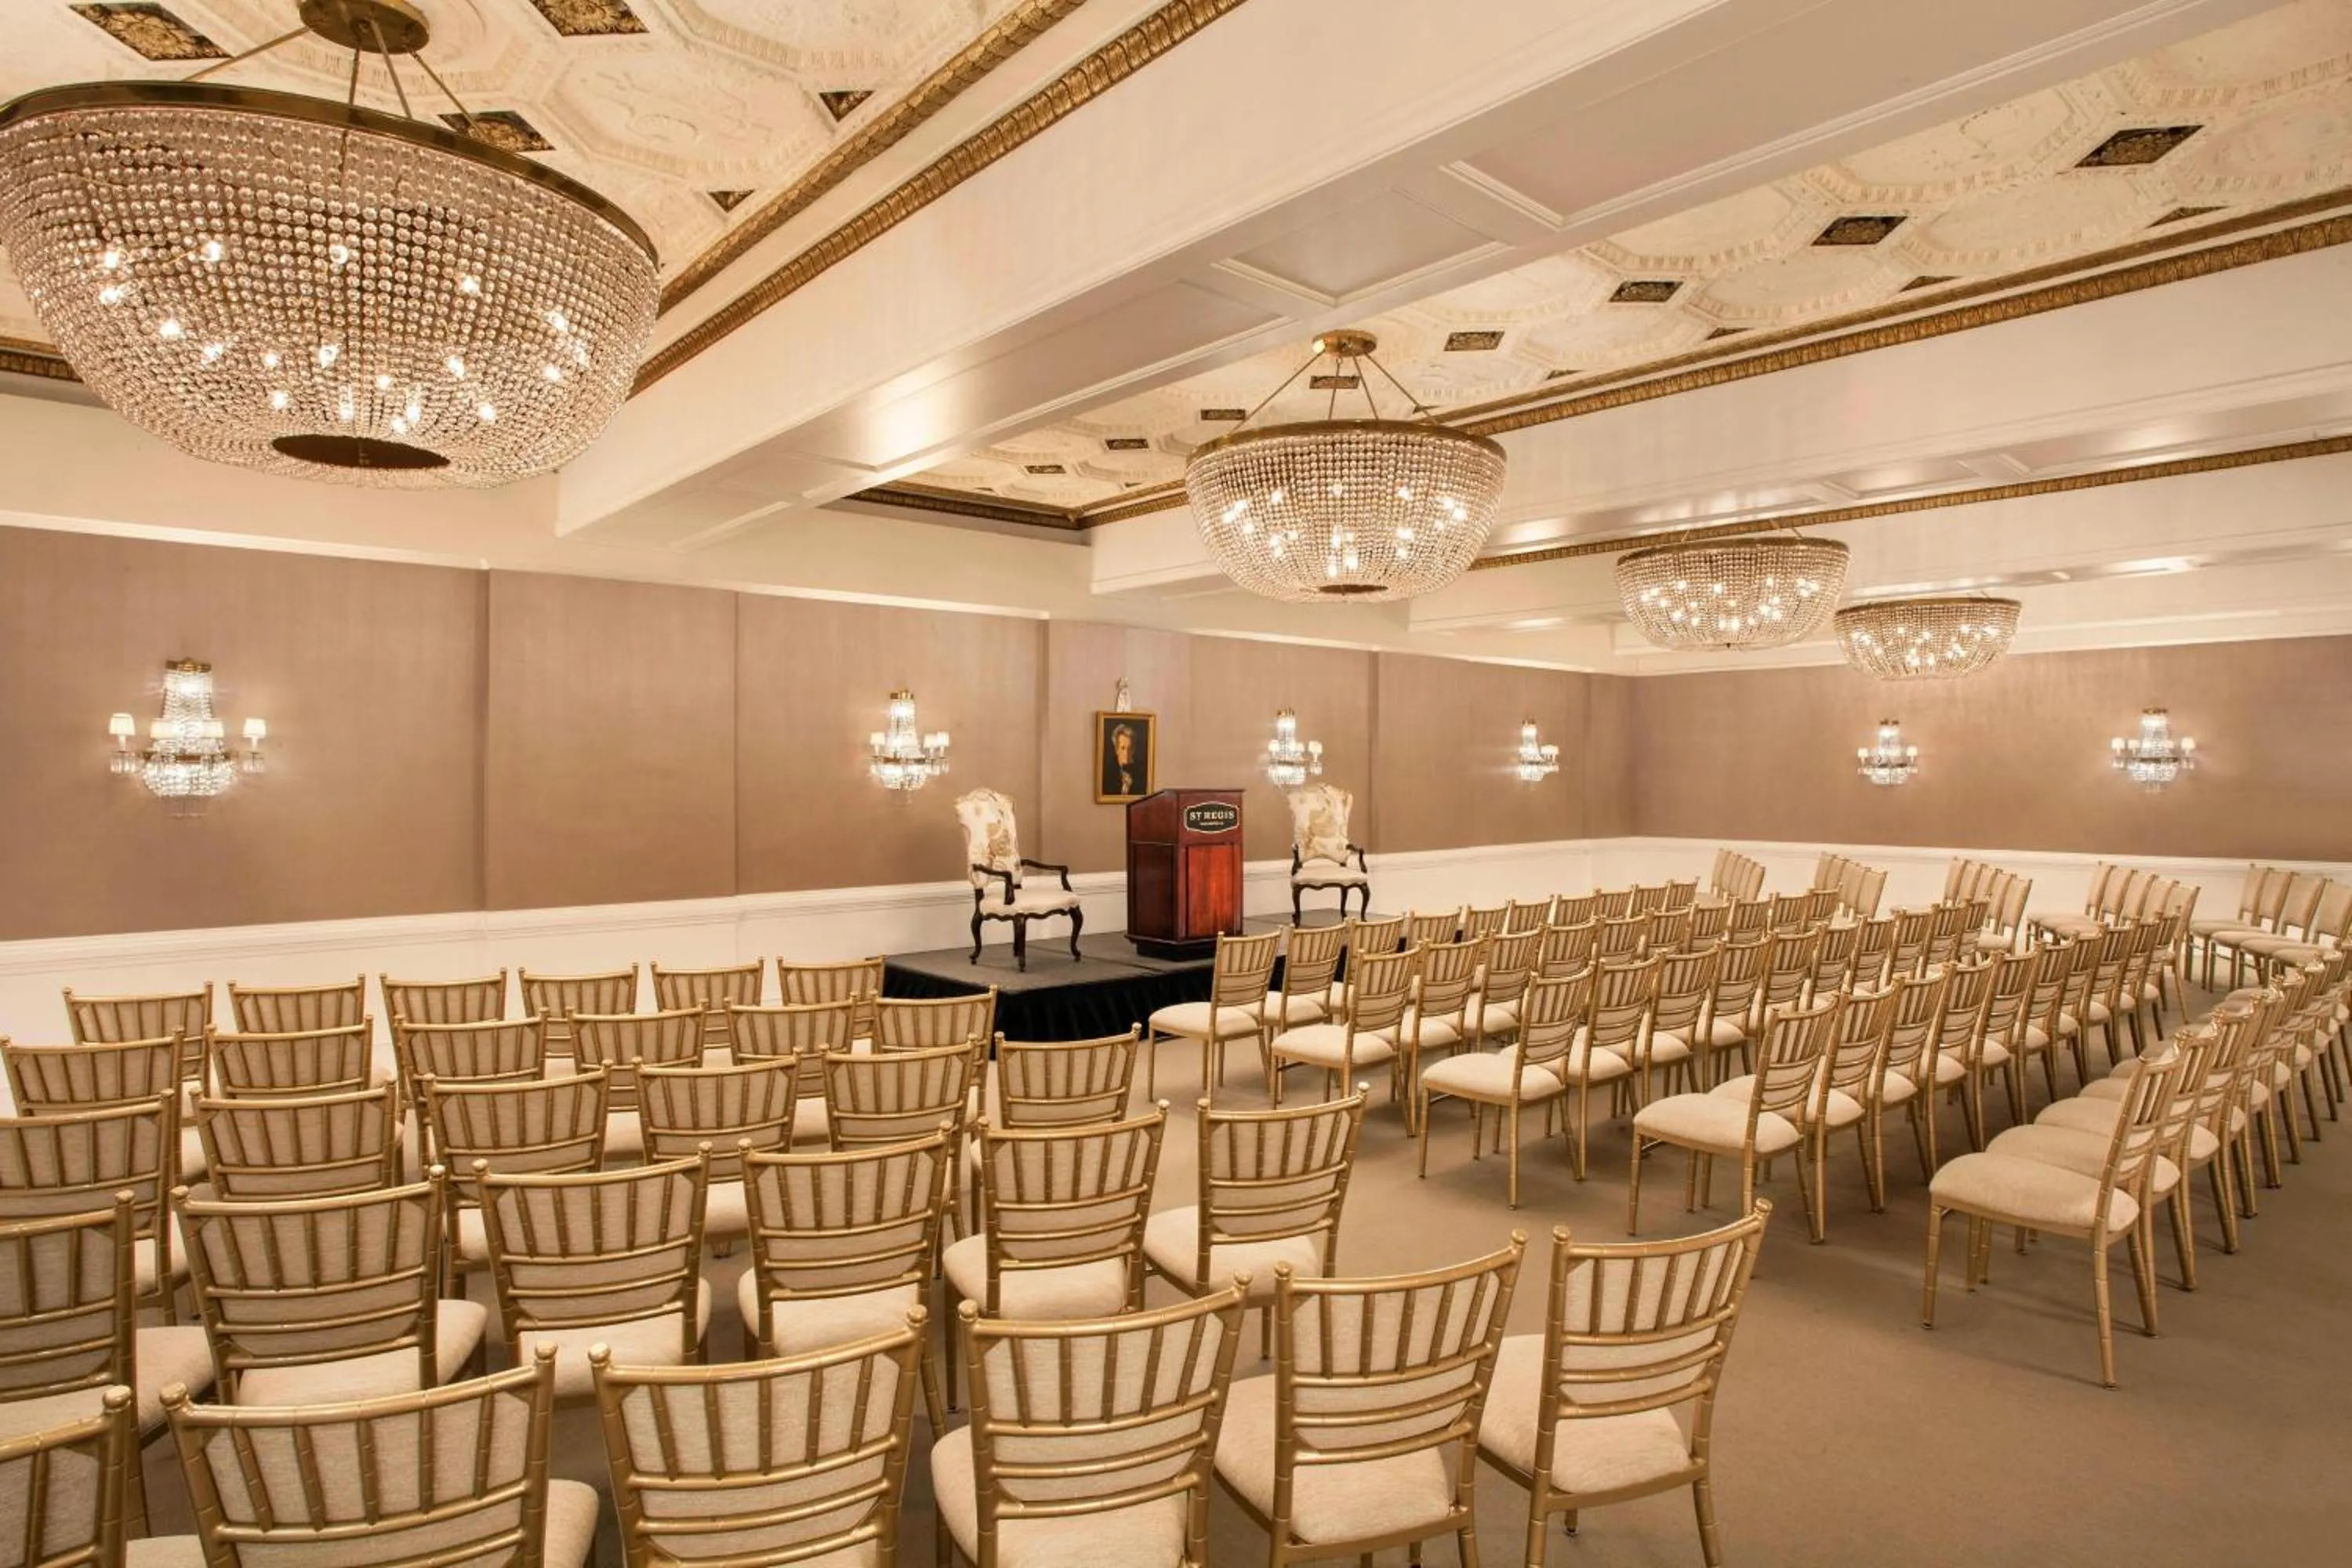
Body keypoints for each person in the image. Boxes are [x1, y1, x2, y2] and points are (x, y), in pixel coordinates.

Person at [1103, 720, 1142, 797]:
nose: (1126, 753)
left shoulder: (1141, 771)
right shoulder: (1107, 771)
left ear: (1134, 749)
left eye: (1130, 748)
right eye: (1123, 748)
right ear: (1116, 749)